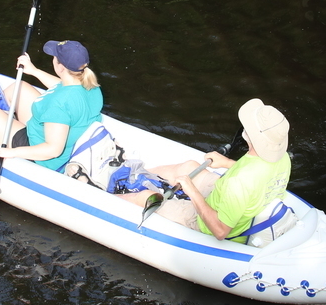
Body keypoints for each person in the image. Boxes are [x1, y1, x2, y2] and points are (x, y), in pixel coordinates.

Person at [125, 99, 292, 242]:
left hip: (209, 223)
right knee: (190, 166)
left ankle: (107, 197)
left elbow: (220, 231)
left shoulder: (239, 183)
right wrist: (226, 162)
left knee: (146, 198)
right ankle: (133, 172)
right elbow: (255, 177)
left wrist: (192, 191)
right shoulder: (282, 158)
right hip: (232, 197)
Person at [0, 39, 103, 171]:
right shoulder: (91, 85)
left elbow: (53, 150)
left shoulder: (59, 104)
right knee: (20, 87)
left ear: (61, 67)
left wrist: (11, 153)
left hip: (43, 157)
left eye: (54, 57)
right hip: (49, 132)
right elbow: (61, 86)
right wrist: (34, 71)